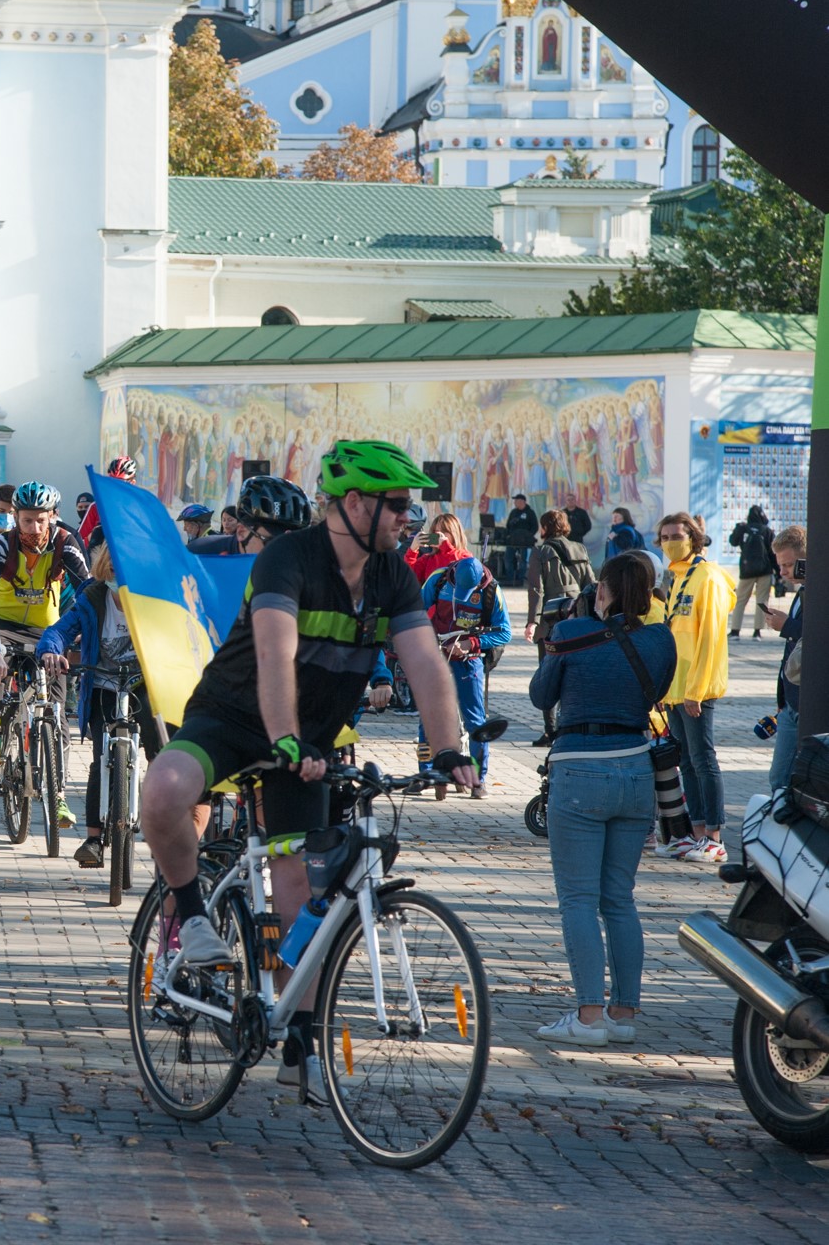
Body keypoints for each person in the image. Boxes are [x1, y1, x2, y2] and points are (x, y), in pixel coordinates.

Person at [136, 440, 476, 1096]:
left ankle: (300, 1036)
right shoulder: (289, 558)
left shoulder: (392, 575)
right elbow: (273, 654)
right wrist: (286, 738)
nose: (410, 517)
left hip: (309, 745)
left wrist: (448, 749)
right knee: (164, 790)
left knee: (300, 894)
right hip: (235, 717)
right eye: (399, 505)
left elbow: (427, 663)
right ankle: (193, 917)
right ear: (355, 504)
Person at [528, 552, 675, 1046]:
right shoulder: (661, 640)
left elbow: (540, 696)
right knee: (619, 899)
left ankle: (588, 1016)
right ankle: (624, 1013)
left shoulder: (571, 635)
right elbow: (654, 689)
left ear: (605, 590)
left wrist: (567, 631)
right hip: (636, 771)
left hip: (579, 772)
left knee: (578, 900)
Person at [37, 545, 163, 868]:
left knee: (161, 750)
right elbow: (60, 631)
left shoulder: (153, 601)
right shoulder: (92, 598)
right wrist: (51, 651)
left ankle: (160, 813)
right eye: (118, 573)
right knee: (101, 758)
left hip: (143, 686)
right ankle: (94, 838)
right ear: (107, 571)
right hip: (103, 686)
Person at [0, 482, 92, 804]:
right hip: (4, 625)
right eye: (27, 520)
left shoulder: (65, 544)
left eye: (41, 520)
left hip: (47, 631)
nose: (34, 527)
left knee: (55, 710)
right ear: (16, 517)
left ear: (53, 516)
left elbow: (87, 588)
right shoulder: (2, 545)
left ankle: (60, 795)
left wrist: (82, 624)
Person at [655, 511, 735, 862]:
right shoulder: (674, 577)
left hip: (695, 690)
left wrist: (696, 690)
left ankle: (715, 836)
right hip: (674, 688)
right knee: (686, 761)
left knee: (704, 760)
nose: (671, 542)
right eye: (665, 537)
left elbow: (710, 639)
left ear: (694, 538)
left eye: (678, 535)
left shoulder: (707, 577)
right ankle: (697, 833)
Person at [419, 556, 510, 799]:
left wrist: (473, 643)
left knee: (476, 723)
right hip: (436, 659)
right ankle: (427, 774)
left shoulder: (492, 591)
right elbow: (415, 614)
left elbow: (505, 632)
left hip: (469, 663)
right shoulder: (437, 580)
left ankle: (478, 779)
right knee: (428, 718)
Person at [523, 508, 597, 745]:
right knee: (575, 673)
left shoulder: (540, 551)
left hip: (551, 621)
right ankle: (572, 726)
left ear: (544, 528)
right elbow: (591, 585)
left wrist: (532, 622)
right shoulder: (580, 549)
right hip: (577, 620)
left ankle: (550, 730)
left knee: (549, 672)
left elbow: (537, 589)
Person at [766, 526, 808, 791]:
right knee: (778, 780)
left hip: (809, 705)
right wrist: (781, 698)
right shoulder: (801, 592)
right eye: (780, 565)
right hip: (790, 705)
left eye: (788, 564)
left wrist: (788, 627)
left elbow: (818, 640)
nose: (782, 571)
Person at [729, 505, 777, 638]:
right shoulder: (766, 531)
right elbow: (773, 554)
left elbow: (733, 541)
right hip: (765, 570)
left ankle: (735, 631)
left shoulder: (744, 528)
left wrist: (738, 528)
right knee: (762, 600)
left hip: (746, 570)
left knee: (740, 600)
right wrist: (778, 572)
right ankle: (757, 632)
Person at [77, 456, 135, 548]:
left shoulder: (139, 510)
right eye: (111, 482)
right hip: (101, 559)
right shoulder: (96, 507)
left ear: (132, 483)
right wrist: (91, 538)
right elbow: (77, 545)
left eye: (120, 483)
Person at [405, 511, 468, 581]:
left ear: (455, 534)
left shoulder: (465, 556)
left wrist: (445, 546)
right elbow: (409, 577)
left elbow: (462, 568)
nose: (439, 535)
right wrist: (413, 550)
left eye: (444, 531)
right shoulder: (428, 559)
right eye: (436, 531)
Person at [504, 492, 539, 585]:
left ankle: (520, 579)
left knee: (523, 561)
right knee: (508, 559)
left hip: (525, 543)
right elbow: (508, 525)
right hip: (512, 542)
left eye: (516, 500)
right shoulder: (513, 512)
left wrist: (528, 536)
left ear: (522, 501)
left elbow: (535, 527)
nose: (515, 502)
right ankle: (510, 579)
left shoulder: (530, 513)